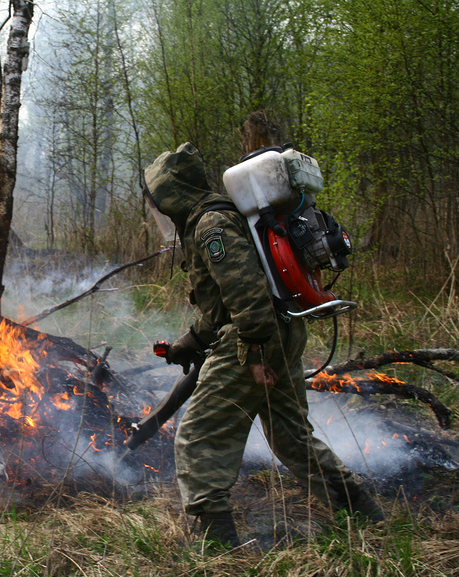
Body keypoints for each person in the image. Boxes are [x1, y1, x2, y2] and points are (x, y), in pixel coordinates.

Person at [144, 142, 384, 547]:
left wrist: (253, 355)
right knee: (292, 437)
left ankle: (218, 549)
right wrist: (193, 341)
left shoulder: (211, 225)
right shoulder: (222, 216)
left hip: (253, 341)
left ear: (172, 192)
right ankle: (366, 514)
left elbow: (248, 295)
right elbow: (226, 301)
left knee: (199, 438)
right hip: (282, 330)